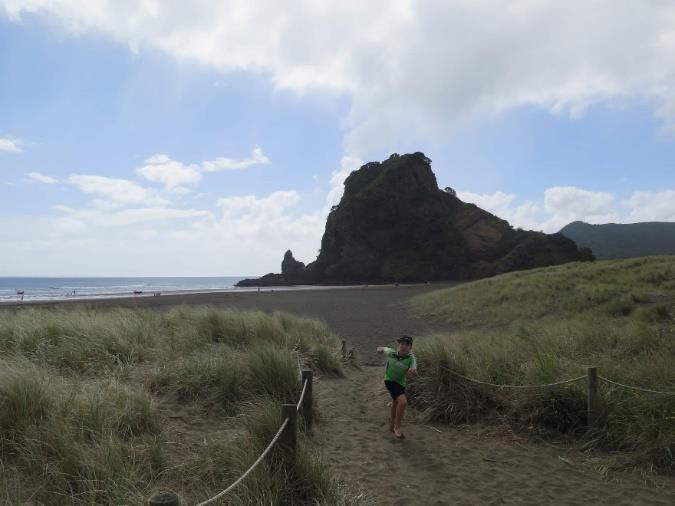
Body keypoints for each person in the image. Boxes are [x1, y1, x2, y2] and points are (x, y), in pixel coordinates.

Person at [376, 335, 417, 439]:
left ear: (410, 347)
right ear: (398, 345)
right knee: (403, 402)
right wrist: (380, 349)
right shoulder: (391, 352)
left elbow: (414, 370)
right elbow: (383, 348)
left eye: (407, 345)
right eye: (402, 344)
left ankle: (391, 425)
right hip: (389, 380)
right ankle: (397, 427)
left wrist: (413, 371)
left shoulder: (411, 358)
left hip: (401, 384)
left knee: (396, 403)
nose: (404, 346)